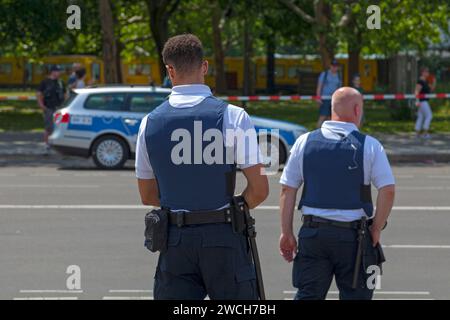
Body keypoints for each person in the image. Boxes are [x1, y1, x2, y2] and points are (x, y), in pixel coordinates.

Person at [135, 34, 269, 300]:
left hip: (175, 241)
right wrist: (233, 209)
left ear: (169, 70)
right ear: (204, 67)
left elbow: (147, 195)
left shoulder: (149, 123)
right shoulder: (234, 116)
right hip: (223, 235)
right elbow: (260, 189)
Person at [279, 87, 396, 300]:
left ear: (332, 109)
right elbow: (387, 190)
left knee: (308, 295)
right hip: (354, 238)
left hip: (313, 234)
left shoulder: (304, 142)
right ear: (357, 109)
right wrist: (376, 228)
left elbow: (288, 188)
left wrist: (286, 232)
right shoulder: (369, 145)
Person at [36, 65, 66, 153]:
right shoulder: (45, 82)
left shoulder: (61, 82)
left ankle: (57, 146)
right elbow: (39, 94)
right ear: (52, 72)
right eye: (58, 71)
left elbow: (65, 94)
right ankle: (46, 145)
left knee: (59, 127)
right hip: (48, 107)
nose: (59, 73)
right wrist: (41, 105)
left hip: (59, 108)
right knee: (48, 128)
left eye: (60, 71)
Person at [315, 59, 342, 128]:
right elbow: (319, 86)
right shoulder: (325, 74)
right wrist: (318, 98)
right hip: (324, 98)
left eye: (336, 66)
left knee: (331, 118)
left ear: (338, 67)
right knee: (322, 116)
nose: (334, 67)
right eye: (333, 66)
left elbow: (339, 88)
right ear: (330, 66)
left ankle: (328, 134)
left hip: (334, 99)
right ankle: (316, 133)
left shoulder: (339, 75)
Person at [415, 67, 433, 139]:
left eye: (428, 72)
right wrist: (417, 101)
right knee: (429, 115)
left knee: (421, 117)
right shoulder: (420, 81)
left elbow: (430, 90)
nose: (428, 73)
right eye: (426, 72)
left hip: (424, 101)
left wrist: (434, 82)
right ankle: (425, 133)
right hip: (422, 101)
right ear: (422, 72)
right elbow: (416, 91)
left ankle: (417, 133)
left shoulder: (426, 81)